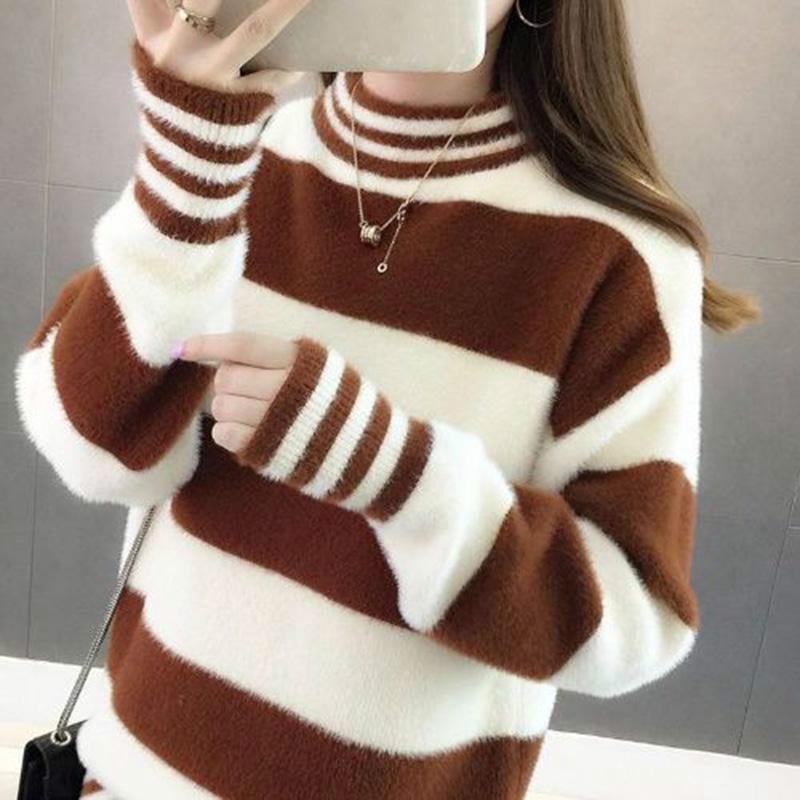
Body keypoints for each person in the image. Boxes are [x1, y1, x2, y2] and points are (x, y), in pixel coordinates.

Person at [14, 1, 760, 798]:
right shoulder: (227, 154)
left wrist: (392, 469)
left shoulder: (618, 256)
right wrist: (184, 178)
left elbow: (637, 625)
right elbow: (90, 453)